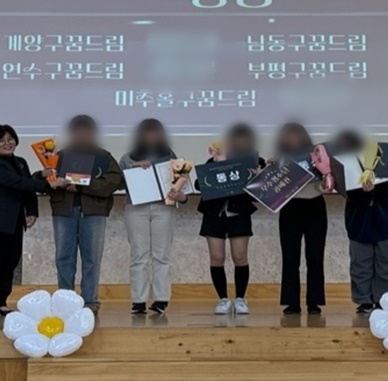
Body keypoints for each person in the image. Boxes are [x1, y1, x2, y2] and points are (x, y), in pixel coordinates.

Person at [0, 124, 67, 317]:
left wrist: (32, 210)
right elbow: (18, 183)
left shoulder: (21, 162)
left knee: (9, 264)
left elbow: (27, 188)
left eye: (10, 139)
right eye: (1, 141)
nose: (7, 143)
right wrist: (49, 185)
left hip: (13, 223)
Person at [49, 115, 123, 314]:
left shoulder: (104, 157)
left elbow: (114, 181)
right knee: (63, 257)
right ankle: (65, 300)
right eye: (78, 131)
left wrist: (83, 186)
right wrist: (49, 176)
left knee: (92, 258)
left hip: (94, 211)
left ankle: (90, 300)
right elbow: (46, 180)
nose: (82, 135)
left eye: (86, 131)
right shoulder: (59, 156)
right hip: (64, 210)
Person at [119, 119, 188, 315]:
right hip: (136, 208)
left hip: (163, 208)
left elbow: (182, 185)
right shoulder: (127, 158)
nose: (151, 137)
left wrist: (180, 195)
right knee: (138, 255)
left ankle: (161, 299)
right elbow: (119, 184)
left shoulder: (171, 157)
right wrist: (134, 168)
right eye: (147, 133)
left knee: (162, 254)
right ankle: (138, 300)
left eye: (155, 133)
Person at [197, 123, 264, 316]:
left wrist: (260, 178)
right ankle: (223, 299)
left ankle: (240, 298)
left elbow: (262, 194)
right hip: (214, 215)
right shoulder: (216, 157)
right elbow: (200, 184)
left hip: (239, 214)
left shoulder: (255, 161)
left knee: (240, 257)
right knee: (217, 257)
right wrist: (218, 163)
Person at [335, 130, 388, 314]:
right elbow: (345, 191)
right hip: (358, 219)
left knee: (387, 262)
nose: (343, 147)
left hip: (386, 218)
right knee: (360, 263)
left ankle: (385, 300)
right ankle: (364, 300)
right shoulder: (340, 164)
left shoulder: (378, 155)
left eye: (346, 144)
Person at [274, 122, 327, 315]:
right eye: (288, 135)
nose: (292, 139)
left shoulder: (315, 156)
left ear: (303, 136)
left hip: (314, 205)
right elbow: (273, 189)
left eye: (295, 135)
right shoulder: (279, 159)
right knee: (290, 257)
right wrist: (269, 173)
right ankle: (291, 302)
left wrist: (325, 184)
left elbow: (323, 183)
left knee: (315, 257)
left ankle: (314, 302)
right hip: (290, 208)